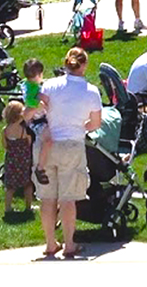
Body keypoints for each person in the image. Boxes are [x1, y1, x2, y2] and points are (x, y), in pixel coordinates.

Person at [38, 47, 102, 257]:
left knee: (47, 198)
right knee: (68, 199)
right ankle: (69, 244)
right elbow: (95, 123)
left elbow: (40, 108)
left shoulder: (50, 85)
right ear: (83, 65)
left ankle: (49, 244)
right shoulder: (91, 91)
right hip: (72, 144)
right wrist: (80, 126)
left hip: (47, 143)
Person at [1, 100, 35, 215]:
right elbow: (29, 142)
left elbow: (5, 145)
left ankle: (8, 207)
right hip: (24, 159)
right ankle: (28, 206)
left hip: (11, 159)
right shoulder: (23, 130)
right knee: (27, 184)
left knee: (10, 186)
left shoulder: (5, 130)